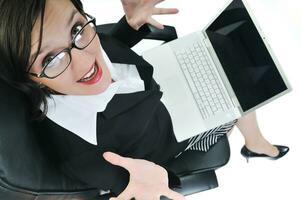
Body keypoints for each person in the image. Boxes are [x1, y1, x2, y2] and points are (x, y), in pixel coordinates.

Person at [0, 0, 289, 199]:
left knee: (223, 54)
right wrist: (160, 179)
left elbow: (108, 45)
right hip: (172, 131)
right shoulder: (82, 153)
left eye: (76, 29)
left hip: (158, 82)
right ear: (29, 80)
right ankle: (255, 144)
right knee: (236, 94)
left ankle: (253, 140)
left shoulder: (87, 44)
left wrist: (129, 24)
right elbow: (137, 186)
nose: (84, 60)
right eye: (51, 59)